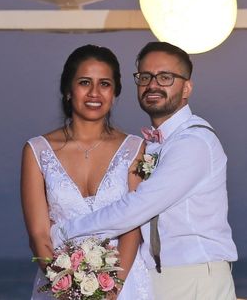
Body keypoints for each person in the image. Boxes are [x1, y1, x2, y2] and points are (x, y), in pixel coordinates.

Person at [52, 41, 237, 299]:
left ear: (186, 88)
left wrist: (63, 231)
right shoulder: (150, 145)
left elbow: (137, 207)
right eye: (145, 77)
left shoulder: (194, 143)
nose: (152, 85)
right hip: (155, 279)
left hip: (193, 277)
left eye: (165, 77)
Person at [20, 45, 153, 299]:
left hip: (125, 284)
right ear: (68, 90)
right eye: (84, 82)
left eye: (104, 84)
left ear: (114, 93)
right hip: (60, 284)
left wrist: (113, 288)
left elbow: (133, 226)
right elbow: (38, 233)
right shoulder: (37, 151)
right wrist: (67, 287)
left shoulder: (135, 148)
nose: (94, 93)